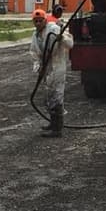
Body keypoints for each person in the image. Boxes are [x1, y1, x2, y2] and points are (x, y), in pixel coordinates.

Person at [30, 7, 73, 138]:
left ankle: (57, 129)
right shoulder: (35, 35)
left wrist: (61, 39)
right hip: (47, 69)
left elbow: (70, 43)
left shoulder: (54, 29)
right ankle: (53, 123)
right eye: (35, 21)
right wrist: (38, 67)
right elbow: (34, 53)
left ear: (45, 20)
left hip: (57, 67)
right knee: (48, 98)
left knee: (56, 97)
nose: (38, 23)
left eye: (40, 20)